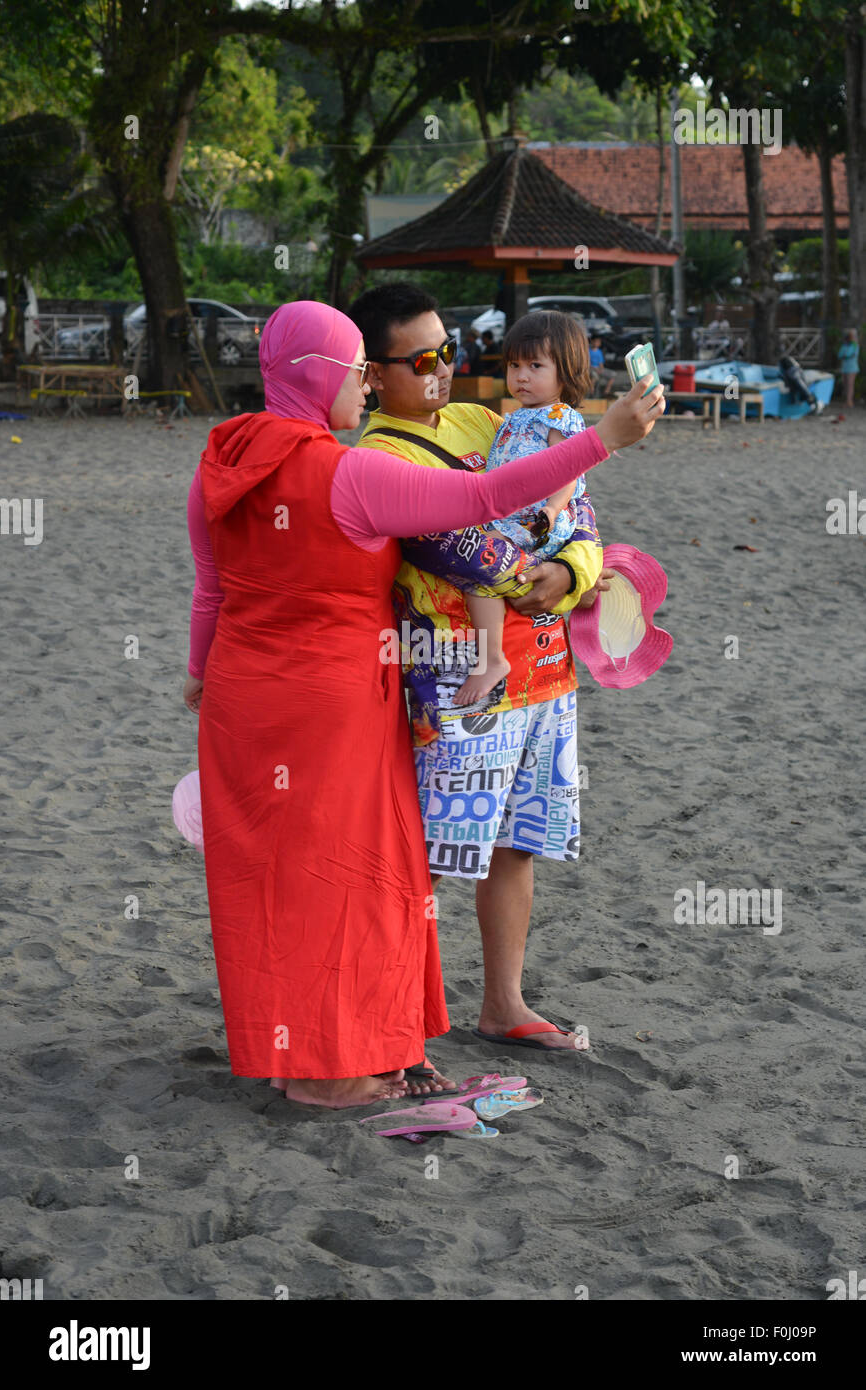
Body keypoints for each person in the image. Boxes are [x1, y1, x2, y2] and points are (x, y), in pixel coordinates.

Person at [182, 298, 663, 1107]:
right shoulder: (352, 471)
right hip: (333, 702)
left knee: (274, 883)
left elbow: (210, 589)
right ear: (327, 376)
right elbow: (482, 505)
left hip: (243, 699)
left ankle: (318, 1049)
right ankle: (329, 1079)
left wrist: (198, 676)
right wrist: (603, 440)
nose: (365, 389)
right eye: (356, 374)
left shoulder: (219, 465)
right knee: (353, 879)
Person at [349, 283, 663, 1063]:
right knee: (423, 850)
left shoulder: (485, 421)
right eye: (420, 360)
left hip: (541, 668)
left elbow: (574, 507)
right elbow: (450, 541)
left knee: (515, 843)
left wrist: (577, 571)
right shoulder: (374, 456)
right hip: (454, 677)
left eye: (448, 351)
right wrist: (538, 575)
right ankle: (388, 1015)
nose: (442, 370)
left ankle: (502, 1003)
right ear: (370, 375)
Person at [454, 311, 593, 706]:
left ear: (565, 372)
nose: (522, 376)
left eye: (535, 366)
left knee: (480, 561)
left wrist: (551, 509)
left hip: (537, 522)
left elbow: (569, 468)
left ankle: (492, 659)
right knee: (478, 552)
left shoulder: (560, 417)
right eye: (514, 365)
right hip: (513, 516)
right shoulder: (513, 418)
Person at [588, 333, 615, 398]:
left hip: (598, 369)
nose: (597, 343)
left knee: (613, 375)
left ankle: (606, 392)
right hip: (591, 369)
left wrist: (601, 369)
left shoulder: (599, 352)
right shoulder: (588, 351)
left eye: (598, 342)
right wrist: (596, 369)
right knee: (594, 376)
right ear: (591, 341)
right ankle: (591, 393)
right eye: (595, 341)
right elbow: (587, 364)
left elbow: (601, 363)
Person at [839, 328, 859, 407]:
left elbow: (849, 354)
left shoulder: (854, 345)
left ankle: (849, 401)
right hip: (845, 367)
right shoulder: (845, 345)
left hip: (852, 368)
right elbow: (840, 355)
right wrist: (845, 355)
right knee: (845, 384)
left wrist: (845, 355)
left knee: (850, 384)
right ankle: (847, 400)